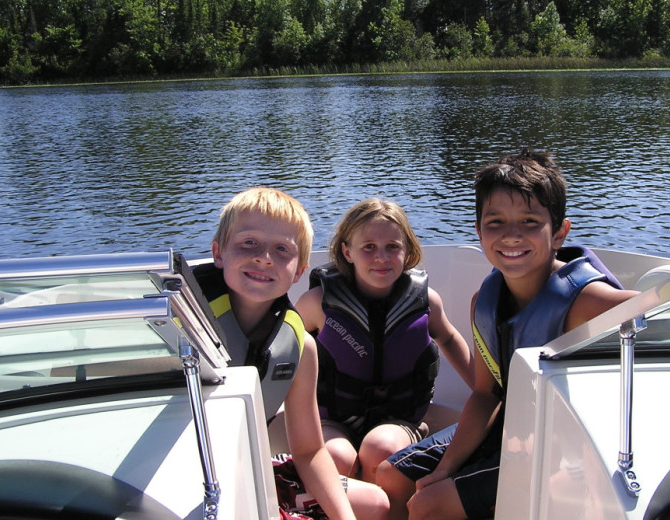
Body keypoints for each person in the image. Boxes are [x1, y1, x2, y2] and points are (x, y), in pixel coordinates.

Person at [375, 148, 638, 520]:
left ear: (560, 233)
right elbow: (486, 395)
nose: (511, 236)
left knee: (430, 506)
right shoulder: (484, 300)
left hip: (566, 449)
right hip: (511, 428)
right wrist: (446, 469)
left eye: (530, 221)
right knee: (392, 476)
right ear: (479, 231)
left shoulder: (586, 301)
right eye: (495, 222)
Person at [192, 187, 389, 520]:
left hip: (249, 470)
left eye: (282, 249)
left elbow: (310, 451)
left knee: (376, 505)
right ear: (219, 253)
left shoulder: (301, 348)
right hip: (191, 481)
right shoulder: (184, 322)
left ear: (299, 271)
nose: (264, 258)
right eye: (248, 243)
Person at [295, 198, 475, 483]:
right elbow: (286, 354)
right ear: (347, 251)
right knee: (335, 458)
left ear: (408, 251)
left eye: (393, 246)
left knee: (380, 449)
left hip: (399, 421)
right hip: (333, 421)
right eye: (369, 247)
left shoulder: (426, 302)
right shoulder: (317, 303)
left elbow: (451, 339)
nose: (381, 257)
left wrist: (484, 391)